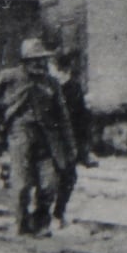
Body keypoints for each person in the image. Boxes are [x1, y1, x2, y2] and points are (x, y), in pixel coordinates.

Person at [0, 38, 76, 237]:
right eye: (34, 60)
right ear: (25, 61)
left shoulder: (51, 83)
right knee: (22, 184)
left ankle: (41, 222)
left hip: (48, 137)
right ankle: (21, 223)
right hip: (20, 133)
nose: (39, 63)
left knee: (49, 183)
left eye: (42, 59)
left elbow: (63, 116)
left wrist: (70, 146)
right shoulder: (11, 77)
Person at [50, 48, 96, 227]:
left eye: (56, 70)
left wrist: (83, 144)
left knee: (68, 177)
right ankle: (50, 214)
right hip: (53, 141)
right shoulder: (50, 87)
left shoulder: (72, 88)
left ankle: (57, 214)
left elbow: (83, 119)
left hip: (67, 140)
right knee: (54, 179)